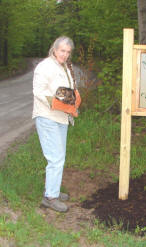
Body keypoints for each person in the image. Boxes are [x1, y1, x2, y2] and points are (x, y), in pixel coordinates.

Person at [32, 36, 77, 212]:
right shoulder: (45, 67)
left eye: (68, 52)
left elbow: (67, 92)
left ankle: (53, 190)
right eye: (62, 51)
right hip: (47, 117)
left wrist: (72, 105)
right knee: (55, 157)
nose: (65, 55)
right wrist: (57, 103)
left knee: (59, 156)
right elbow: (38, 91)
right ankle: (50, 198)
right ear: (54, 49)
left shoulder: (64, 67)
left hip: (62, 117)